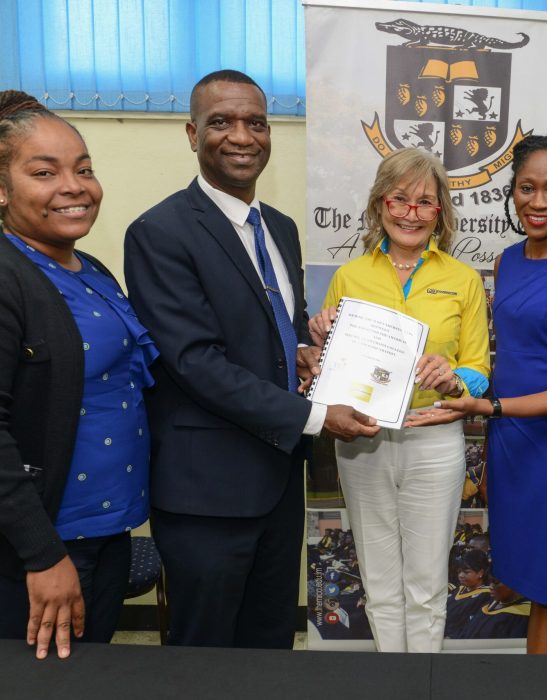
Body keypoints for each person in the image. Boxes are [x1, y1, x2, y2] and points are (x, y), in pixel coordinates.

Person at [123, 70, 378, 649]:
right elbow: (195, 362)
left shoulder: (280, 229)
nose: (242, 136)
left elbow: (276, 334)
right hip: (207, 494)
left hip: (278, 483)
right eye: (221, 122)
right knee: (206, 654)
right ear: (192, 134)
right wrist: (315, 417)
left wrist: (307, 354)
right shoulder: (159, 232)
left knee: (268, 647)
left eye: (256, 123)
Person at [407, 135, 547, 653]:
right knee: (525, 580)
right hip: (511, 443)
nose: (538, 201)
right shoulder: (507, 261)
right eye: (527, 188)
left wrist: (489, 407)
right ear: (513, 191)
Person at [306, 148, 491, 652]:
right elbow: (327, 367)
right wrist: (320, 337)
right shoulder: (349, 277)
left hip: (434, 443)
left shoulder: (462, 279)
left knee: (428, 587)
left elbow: (480, 371)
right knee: (379, 583)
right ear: (379, 205)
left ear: (441, 213)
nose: (411, 213)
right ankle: (392, 680)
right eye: (400, 199)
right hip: (363, 440)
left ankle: (423, 682)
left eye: (425, 203)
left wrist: (455, 379)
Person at [0, 91, 158, 658]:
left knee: (93, 672)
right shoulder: (8, 276)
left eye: (84, 169)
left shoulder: (89, 267)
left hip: (109, 532)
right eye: (45, 172)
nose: (75, 186)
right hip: (41, 551)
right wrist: (42, 556)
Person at [445, 548, 491, 638]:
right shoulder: (457, 590)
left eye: (466, 572)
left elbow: (472, 624)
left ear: (480, 573)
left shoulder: (486, 595)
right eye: (459, 571)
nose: (461, 575)